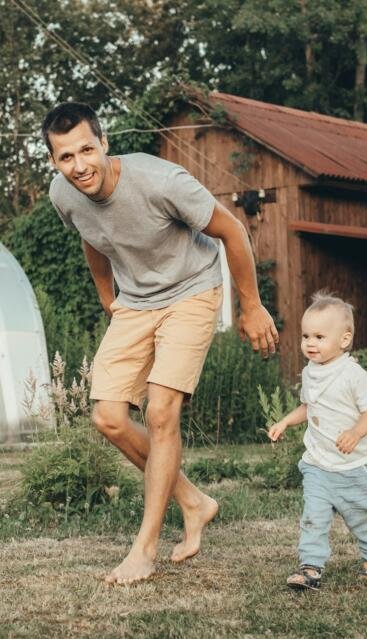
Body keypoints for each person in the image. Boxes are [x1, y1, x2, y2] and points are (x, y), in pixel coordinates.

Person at [43, 102, 278, 585]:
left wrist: (251, 307)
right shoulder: (64, 195)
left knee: (160, 412)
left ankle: (144, 549)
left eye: (87, 150)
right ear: (54, 162)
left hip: (192, 289)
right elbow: (92, 234)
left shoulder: (160, 181)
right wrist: (108, 297)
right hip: (136, 300)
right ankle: (193, 501)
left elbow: (232, 231)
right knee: (108, 417)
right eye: (66, 157)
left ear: (104, 143)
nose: (80, 165)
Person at [267, 291, 367, 590]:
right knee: (313, 517)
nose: (310, 342)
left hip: (354, 467)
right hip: (318, 465)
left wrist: (356, 432)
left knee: (364, 518)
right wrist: (285, 421)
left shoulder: (353, 374)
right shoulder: (311, 373)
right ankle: (310, 568)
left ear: (344, 340)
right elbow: (309, 407)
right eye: (306, 335)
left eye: (320, 336)